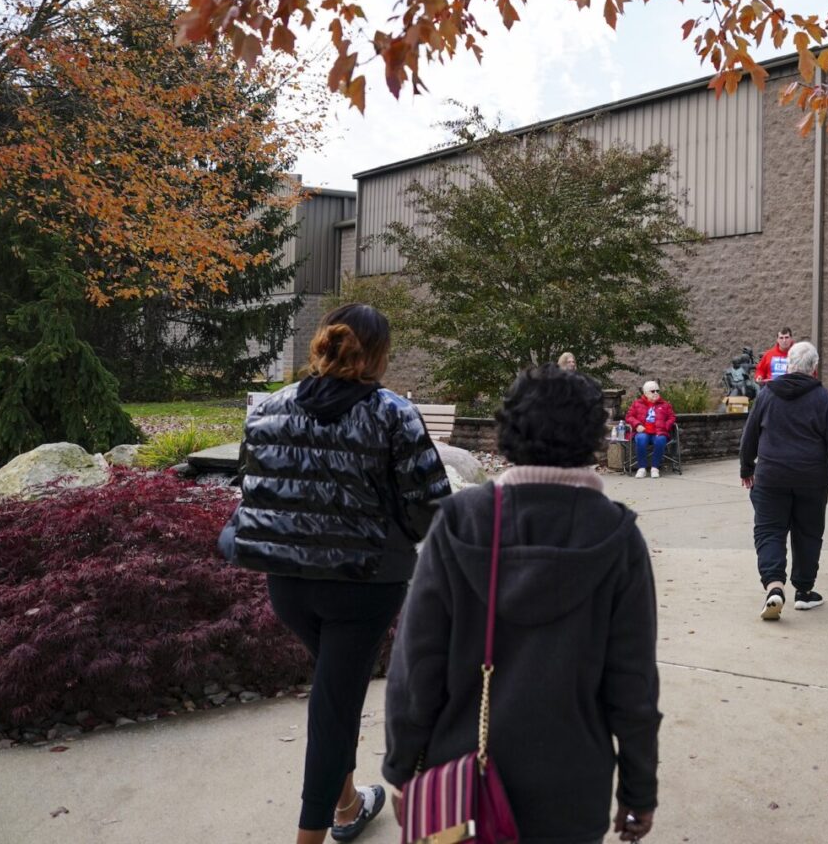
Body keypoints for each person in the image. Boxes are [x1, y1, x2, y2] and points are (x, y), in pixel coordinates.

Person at [384, 365, 661, 844]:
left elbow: (416, 664)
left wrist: (403, 766)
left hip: (462, 785)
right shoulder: (618, 538)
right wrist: (639, 790)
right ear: (593, 439)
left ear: (507, 432)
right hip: (573, 792)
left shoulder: (459, 523)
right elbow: (633, 686)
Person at [226, 303, 450, 844]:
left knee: (333, 692)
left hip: (288, 586)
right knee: (334, 711)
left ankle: (348, 805)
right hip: (363, 587)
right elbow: (429, 505)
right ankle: (312, 834)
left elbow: (251, 486)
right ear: (378, 353)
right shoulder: (393, 413)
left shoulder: (268, 408)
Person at [739, 340, 828, 619]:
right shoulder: (823, 399)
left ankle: (774, 586)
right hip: (810, 479)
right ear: (814, 368)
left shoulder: (767, 395)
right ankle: (803, 591)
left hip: (770, 476)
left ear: (788, 364)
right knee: (808, 533)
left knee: (769, 531)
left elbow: (750, 434)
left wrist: (746, 468)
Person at [624, 380, 677, 478]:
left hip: (659, 431)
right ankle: (642, 468)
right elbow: (629, 417)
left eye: (657, 391)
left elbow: (672, 417)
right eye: (653, 391)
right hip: (643, 431)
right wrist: (637, 425)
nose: (656, 393)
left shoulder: (665, 405)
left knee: (660, 440)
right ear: (645, 393)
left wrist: (665, 426)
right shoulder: (637, 404)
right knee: (641, 439)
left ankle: (655, 468)